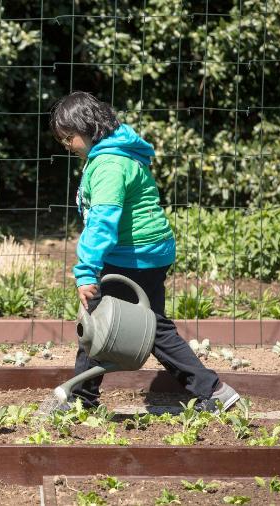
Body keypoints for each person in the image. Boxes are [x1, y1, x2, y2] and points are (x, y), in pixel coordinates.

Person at [42, 91, 239, 414]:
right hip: (146, 253)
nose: (67, 145)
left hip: (131, 255)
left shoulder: (109, 165)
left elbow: (103, 222)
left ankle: (81, 401)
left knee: (97, 326)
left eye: (69, 137)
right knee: (152, 327)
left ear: (88, 127)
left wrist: (87, 270)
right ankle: (213, 391)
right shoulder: (115, 154)